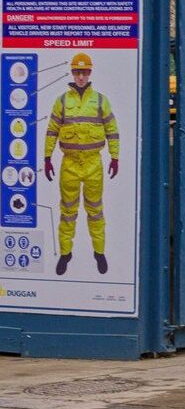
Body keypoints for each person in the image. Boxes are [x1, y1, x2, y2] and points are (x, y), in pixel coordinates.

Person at [43, 53, 119, 276]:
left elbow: (112, 130)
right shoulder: (62, 101)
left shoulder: (101, 101)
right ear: (72, 73)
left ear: (90, 73)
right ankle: (66, 254)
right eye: (77, 72)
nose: (80, 76)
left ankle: (99, 252)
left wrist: (115, 157)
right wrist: (47, 157)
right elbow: (52, 130)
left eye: (84, 72)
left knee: (95, 211)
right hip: (70, 165)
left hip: (94, 164)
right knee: (67, 211)